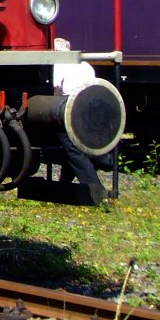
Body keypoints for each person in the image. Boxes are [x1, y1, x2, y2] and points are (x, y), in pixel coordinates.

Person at [52, 38, 113, 200]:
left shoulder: (58, 65)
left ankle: (96, 190)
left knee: (73, 149)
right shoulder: (86, 66)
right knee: (74, 147)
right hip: (87, 109)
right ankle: (63, 185)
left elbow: (56, 88)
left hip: (68, 108)